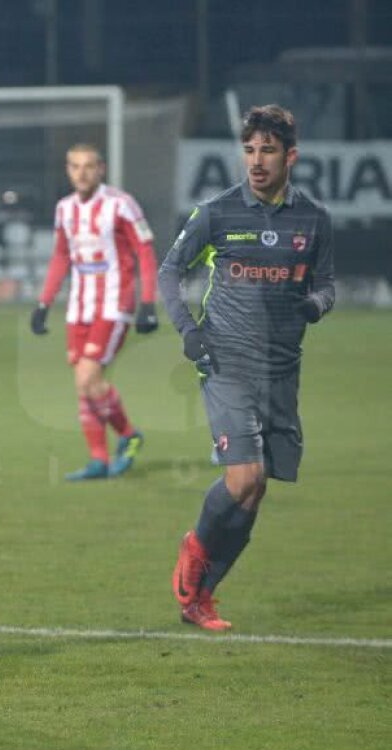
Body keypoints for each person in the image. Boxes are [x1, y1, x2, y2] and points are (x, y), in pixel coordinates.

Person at [160, 105, 334, 631]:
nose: (257, 162)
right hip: (227, 361)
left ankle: (202, 598)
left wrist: (316, 306)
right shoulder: (217, 212)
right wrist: (189, 332)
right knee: (244, 477)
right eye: (250, 150)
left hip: (282, 370)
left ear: (291, 157)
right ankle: (194, 547)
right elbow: (170, 272)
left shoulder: (314, 219)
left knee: (258, 490)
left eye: (268, 151)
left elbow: (326, 285)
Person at [30, 144, 159, 480]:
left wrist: (147, 302)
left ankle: (129, 435)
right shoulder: (64, 209)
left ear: (101, 169)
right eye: (74, 166)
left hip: (115, 304)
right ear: (68, 171)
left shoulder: (121, 204)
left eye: (88, 166)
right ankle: (99, 460)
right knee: (84, 385)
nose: (81, 172)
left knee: (89, 376)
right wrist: (44, 303)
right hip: (79, 307)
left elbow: (144, 252)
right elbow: (61, 256)